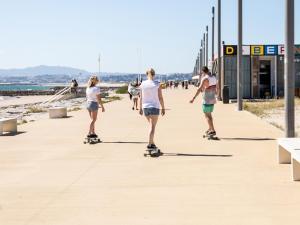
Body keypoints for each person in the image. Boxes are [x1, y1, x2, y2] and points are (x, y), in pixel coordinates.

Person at [139, 68, 165, 149]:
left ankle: (153, 144)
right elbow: (160, 97)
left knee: (151, 125)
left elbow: (141, 97)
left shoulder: (142, 84)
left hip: (145, 108)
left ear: (147, 74)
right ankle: (150, 144)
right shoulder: (157, 84)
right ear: (154, 74)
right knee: (152, 127)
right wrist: (163, 108)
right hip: (154, 107)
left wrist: (140, 108)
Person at [190, 66, 218, 136]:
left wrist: (193, 98)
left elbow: (199, 89)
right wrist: (217, 95)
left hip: (206, 99)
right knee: (210, 115)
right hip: (212, 99)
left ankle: (213, 130)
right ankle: (210, 128)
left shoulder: (205, 78)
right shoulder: (214, 78)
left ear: (203, 72)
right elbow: (218, 88)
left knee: (207, 116)